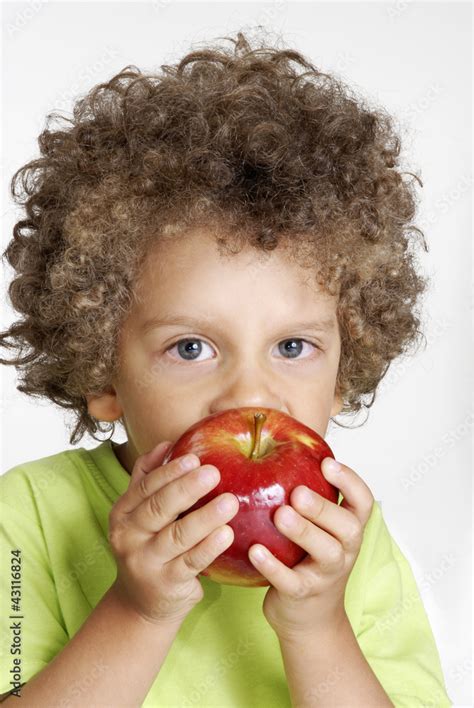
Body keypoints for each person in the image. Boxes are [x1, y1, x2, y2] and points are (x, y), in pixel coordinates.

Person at [0, 30, 452, 707]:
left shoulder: (345, 544)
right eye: (191, 348)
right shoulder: (28, 517)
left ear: (344, 360)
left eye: (293, 347)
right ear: (100, 372)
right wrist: (137, 612)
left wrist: (319, 626)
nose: (250, 393)